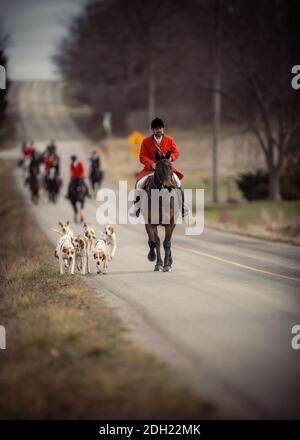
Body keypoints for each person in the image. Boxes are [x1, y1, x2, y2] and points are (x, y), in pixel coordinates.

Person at [130, 117, 186, 217]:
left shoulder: (169, 140)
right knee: (139, 184)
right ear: (153, 130)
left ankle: (183, 207)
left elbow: (176, 152)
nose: (159, 130)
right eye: (156, 128)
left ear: (163, 129)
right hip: (151, 169)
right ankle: (136, 208)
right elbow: (142, 157)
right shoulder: (146, 141)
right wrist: (152, 164)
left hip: (166, 170)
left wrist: (171, 158)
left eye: (160, 128)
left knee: (178, 182)